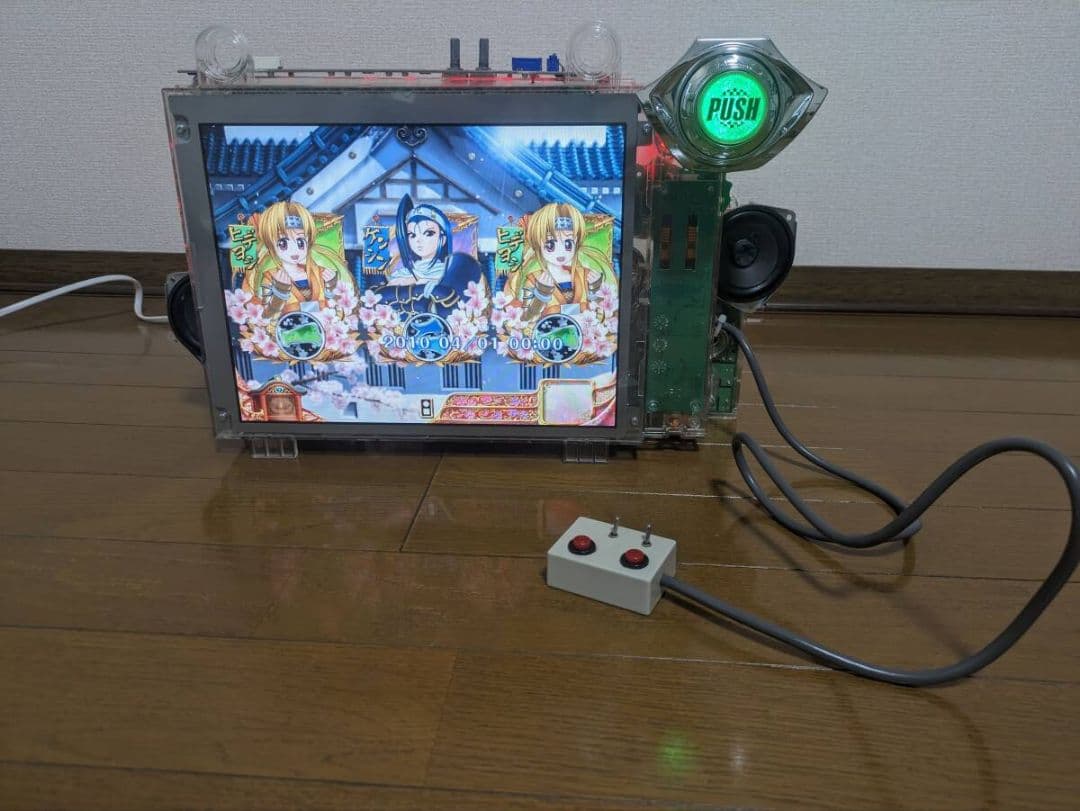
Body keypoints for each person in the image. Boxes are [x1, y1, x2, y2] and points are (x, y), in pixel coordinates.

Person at [375, 195, 484, 318]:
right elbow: (379, 299)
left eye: (428, 233)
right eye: (412, 235)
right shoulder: (401, 274)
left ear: (442, 239)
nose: (418, 240)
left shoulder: (451, 272)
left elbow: (450, 302)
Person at [244, 201, 355, 320]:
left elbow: (338, 312)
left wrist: (331, 287)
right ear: (271, 245)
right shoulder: (270, 277)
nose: (294, 250)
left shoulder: (320, 272)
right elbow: (267, 317)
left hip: (322, 328)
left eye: (300, 242)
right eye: (283, 243)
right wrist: (280, 293)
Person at [504, 202, 614, 321]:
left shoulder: (586, 275)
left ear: (576, 242)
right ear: (538, 244)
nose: (561, 252)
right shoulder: (533, 279)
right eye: (550, 245)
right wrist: (541, 296)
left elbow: (602, 316)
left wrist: (595, 292)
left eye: (568, 244)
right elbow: (525, 319)